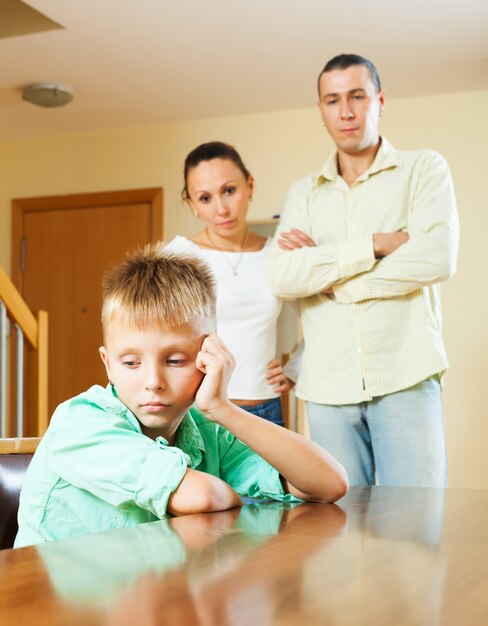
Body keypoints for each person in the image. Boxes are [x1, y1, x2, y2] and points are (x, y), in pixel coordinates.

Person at [15, 243, 347, 547]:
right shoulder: (80, 423)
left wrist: (222, 408)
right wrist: (229, 495)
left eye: (175, 361)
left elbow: (328, 483)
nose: (153, 381)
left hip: (146, 598)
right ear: (108, 364)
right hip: (48, 606)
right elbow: (204, 497)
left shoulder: (206, 429)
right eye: (131, 362)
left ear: (209, 356)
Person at [265, 53, 459, 488]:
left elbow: (436, 258)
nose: (346, 111)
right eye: (332, 100)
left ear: (380, 99)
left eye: (357, 96)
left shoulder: (423, 169)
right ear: (321, 110)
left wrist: (334, 279)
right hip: (327, 388)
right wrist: (376, 244)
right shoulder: (303, 194)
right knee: (343, 533)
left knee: (414, 528)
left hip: (405, 375)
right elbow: (282, 277)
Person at [166, 141, 297, 427]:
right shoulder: (177, 257)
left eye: (229, 190)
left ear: (249, 185)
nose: (221, 209)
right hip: (199, 413)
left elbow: (320, 316)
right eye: (205, 198)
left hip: (265, 409)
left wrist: (294, 369)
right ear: (191, 204)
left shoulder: (278, 254)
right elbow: (151, 334)